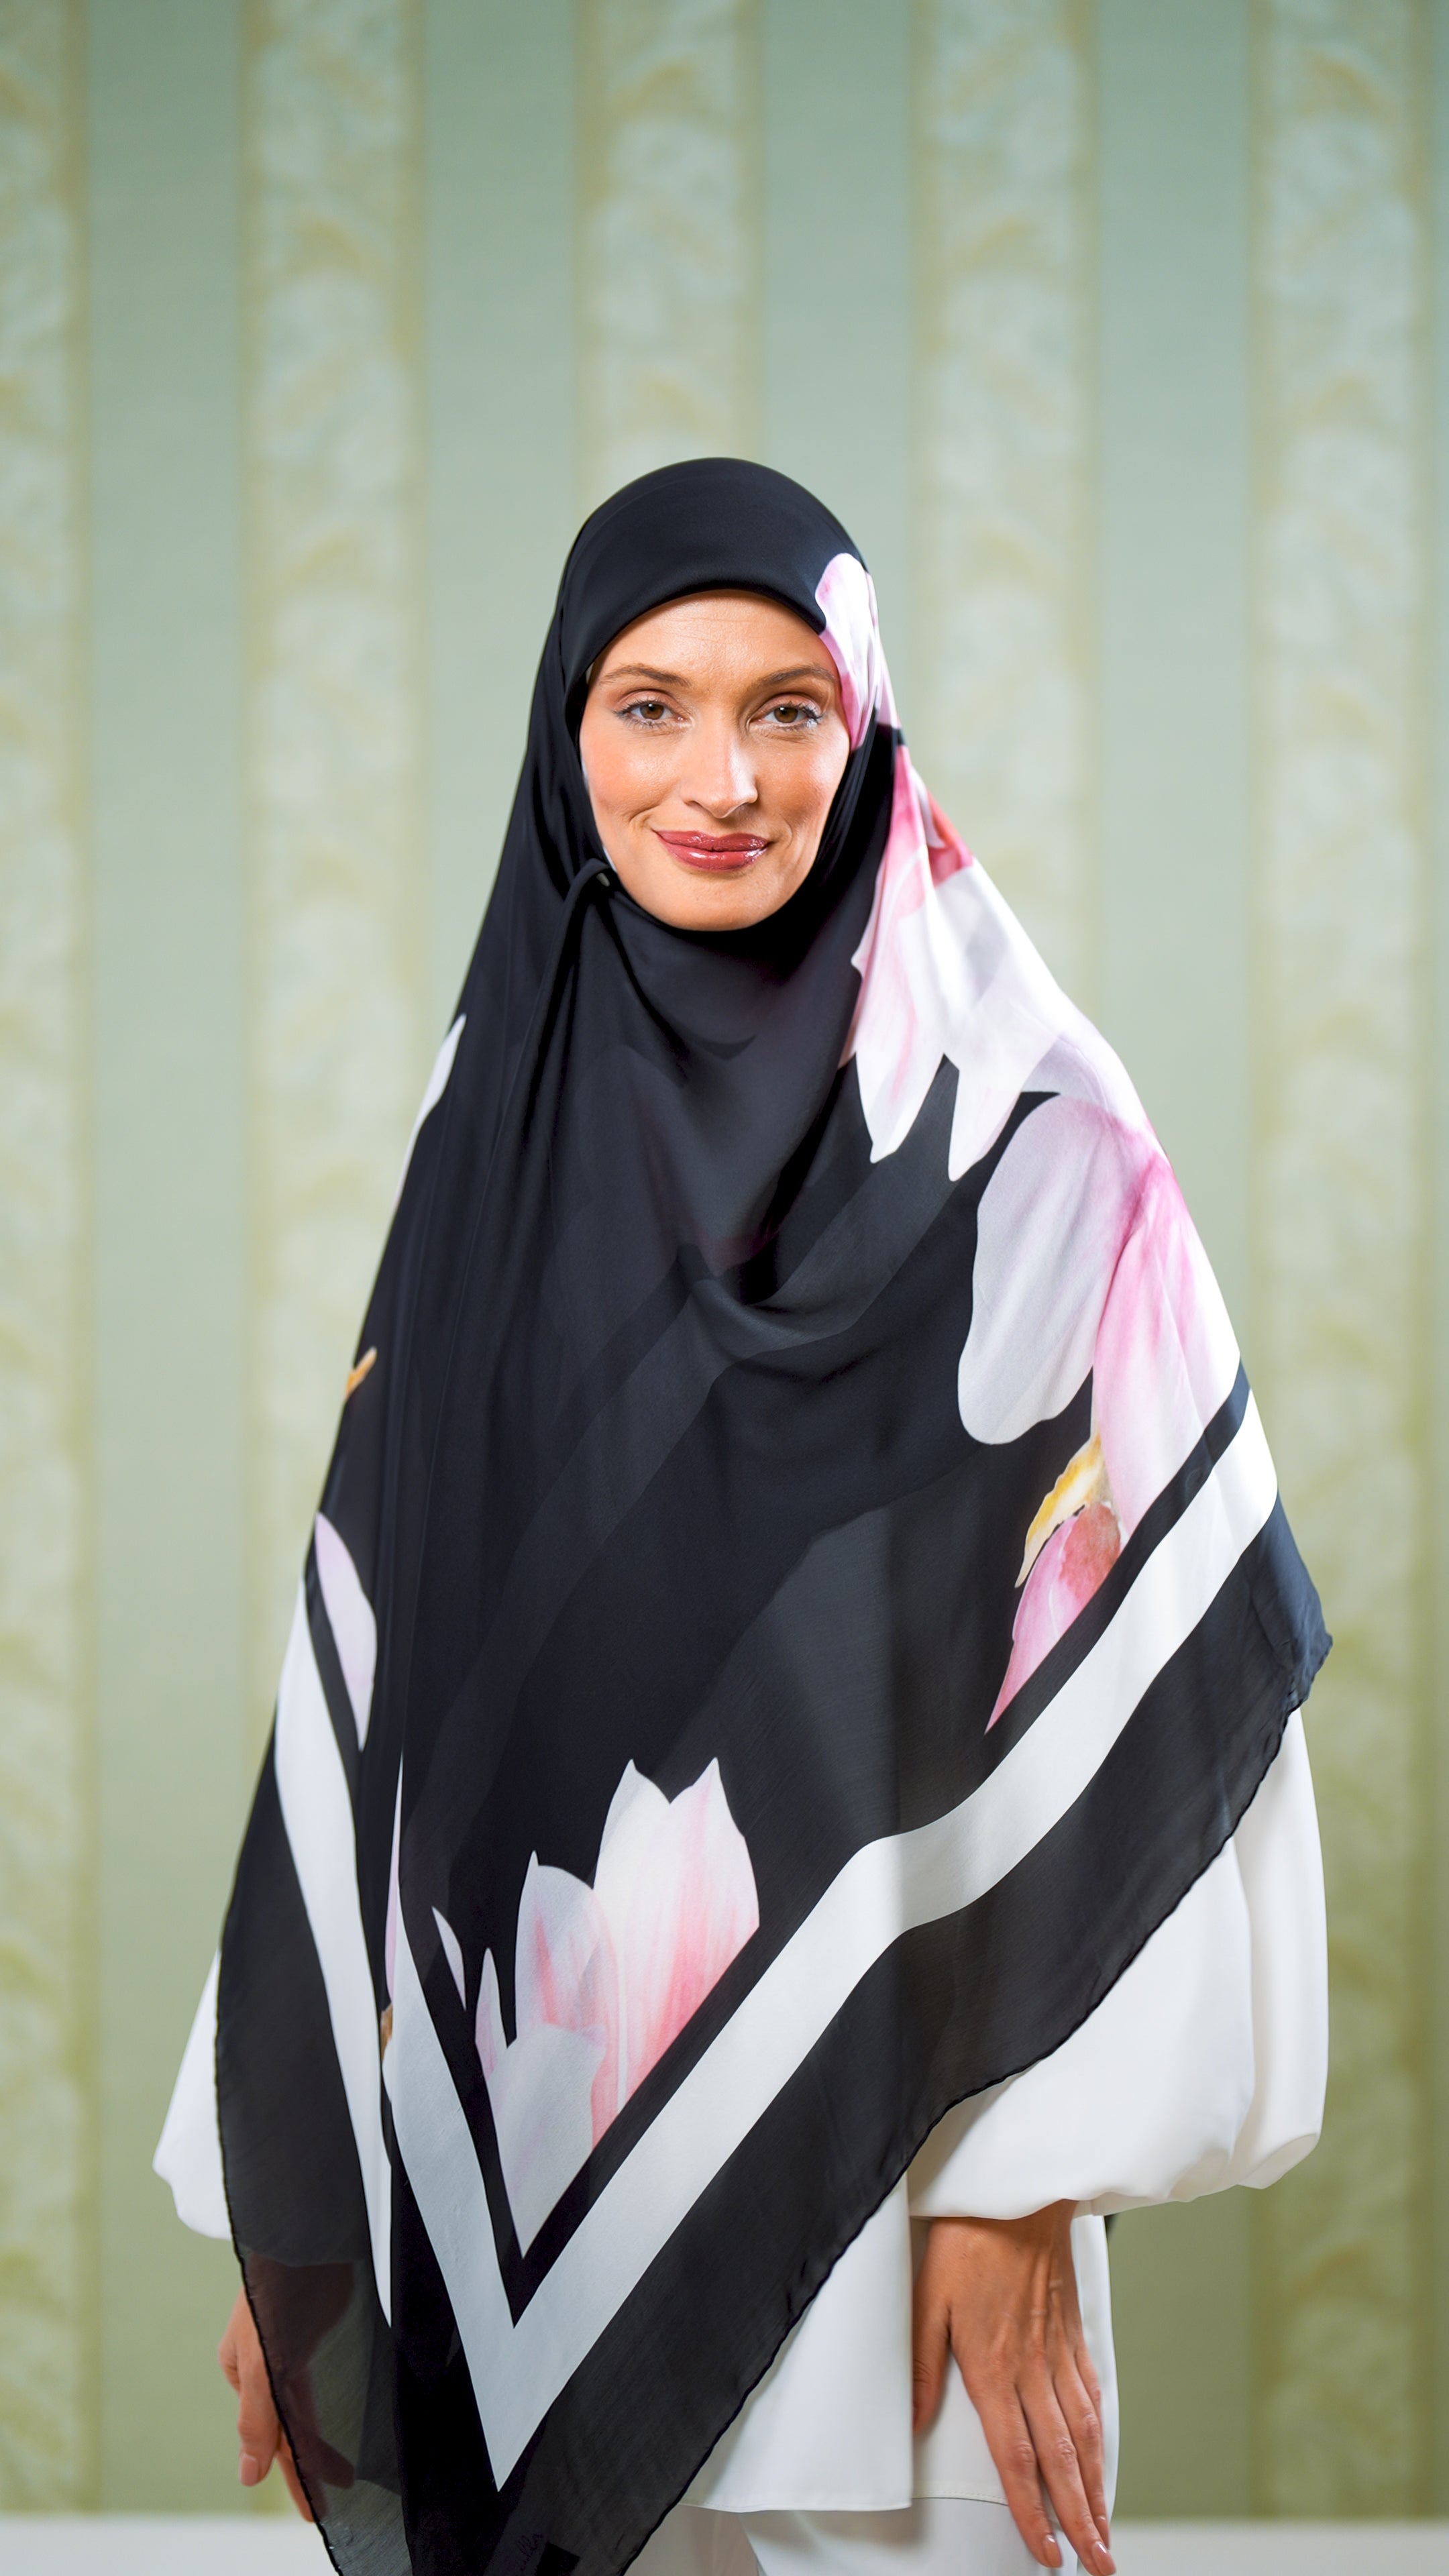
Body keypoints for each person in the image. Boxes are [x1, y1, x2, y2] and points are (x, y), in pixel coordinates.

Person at [156, 460, 1329, 2576]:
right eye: (651, 706)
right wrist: (318, 2187)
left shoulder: (1043, 1142)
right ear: (567, 738)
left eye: (788, 707)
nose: (722, 779)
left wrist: (1026, 2178)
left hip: (914, 2179)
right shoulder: (491, 1129)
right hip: (523, 2127)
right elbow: (391, 1648)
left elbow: (1165, 1657)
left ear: (865, 733)